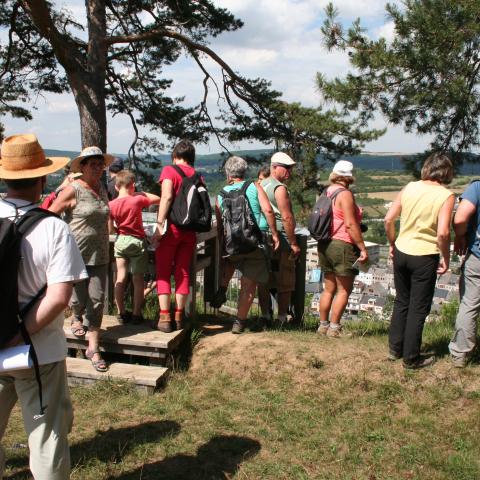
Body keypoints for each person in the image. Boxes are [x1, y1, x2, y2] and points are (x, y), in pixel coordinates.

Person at [0, 133, 87, 479]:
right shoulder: (53, 229)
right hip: (38, 352)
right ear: (42, 178)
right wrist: (18, 334)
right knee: (46, 438)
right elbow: (58, 297)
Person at [384, 152, 455, 369]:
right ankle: (411, 358)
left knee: (401, 301)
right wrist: (446, 257)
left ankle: (395, 349)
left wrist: (392, 243)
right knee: (418, 307)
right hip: (424, 255)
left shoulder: (410, 187)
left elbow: (388, 219)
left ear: (426, 168)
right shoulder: (446, 195)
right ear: (446, 171)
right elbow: (442, 233)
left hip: (402, 250)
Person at [49, 146, 113, 372]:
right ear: (82, 167)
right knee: (77, 297)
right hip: (75, 253)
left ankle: (93, 346)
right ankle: (76, 316)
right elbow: (51, 215)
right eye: (92, 164)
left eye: (100, 165)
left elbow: (106, 215)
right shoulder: (73, 190)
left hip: (101, 254)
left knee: (97, 299)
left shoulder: (103, 188)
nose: (97, 168)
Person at [214, 156, 280, 333]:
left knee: (231, 262)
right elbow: (268, 210)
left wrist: (222, 245)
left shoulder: (220, 194)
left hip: (233, 243)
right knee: (248, 285)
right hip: (254, 242)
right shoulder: (253, 186)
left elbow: (220, 225)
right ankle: (239, 322)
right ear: (244, 171)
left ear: (228, 173)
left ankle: (222, 287)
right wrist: (275, 234)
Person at [151, 139, 201, 333]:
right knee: (183, 272)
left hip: (172, 229)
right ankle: (179, 316)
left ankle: (165, 318)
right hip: (190, 231)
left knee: (163, 271)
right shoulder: (197, 175)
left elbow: (167, 197)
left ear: (175, 155)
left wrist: (159, 224)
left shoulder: (169, 171)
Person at [316, 160, 369, 337]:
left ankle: (323, 326)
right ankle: (334, 328)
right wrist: (362, 248)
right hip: (342, 245)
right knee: (344, 289)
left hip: (325, 243)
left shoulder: (327, 191)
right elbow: (350, 224)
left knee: (328, 288)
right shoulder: (345, 194)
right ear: (348, 177)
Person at [108, 170, 160, 324]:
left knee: (121, 277)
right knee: (138, 280)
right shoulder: (137, 200)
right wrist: (139, 192)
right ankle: (137, 314)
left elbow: (110, 229)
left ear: (116, 187)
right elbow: (157, 199)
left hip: (121, 240)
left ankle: (121, 312)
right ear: (132, 185)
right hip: (137, 242)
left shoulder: (110, 205)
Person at [258, 152, 300, 326]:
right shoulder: (279, 188)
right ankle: (281, 318)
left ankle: (265, 315)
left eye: (291, 168)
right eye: (286, 168)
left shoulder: (260, 185)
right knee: (286, 279)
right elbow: (287, 217)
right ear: (274, 167)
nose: (289, 172)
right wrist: (293, 243)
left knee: (264, 279)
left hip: (263, 236)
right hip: (281, 238)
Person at [449, 180, 480, 367]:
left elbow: (460, 218)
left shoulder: (476, 188)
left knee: (469, 304)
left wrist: (460, 236)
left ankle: (460, 354)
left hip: (477, 257)